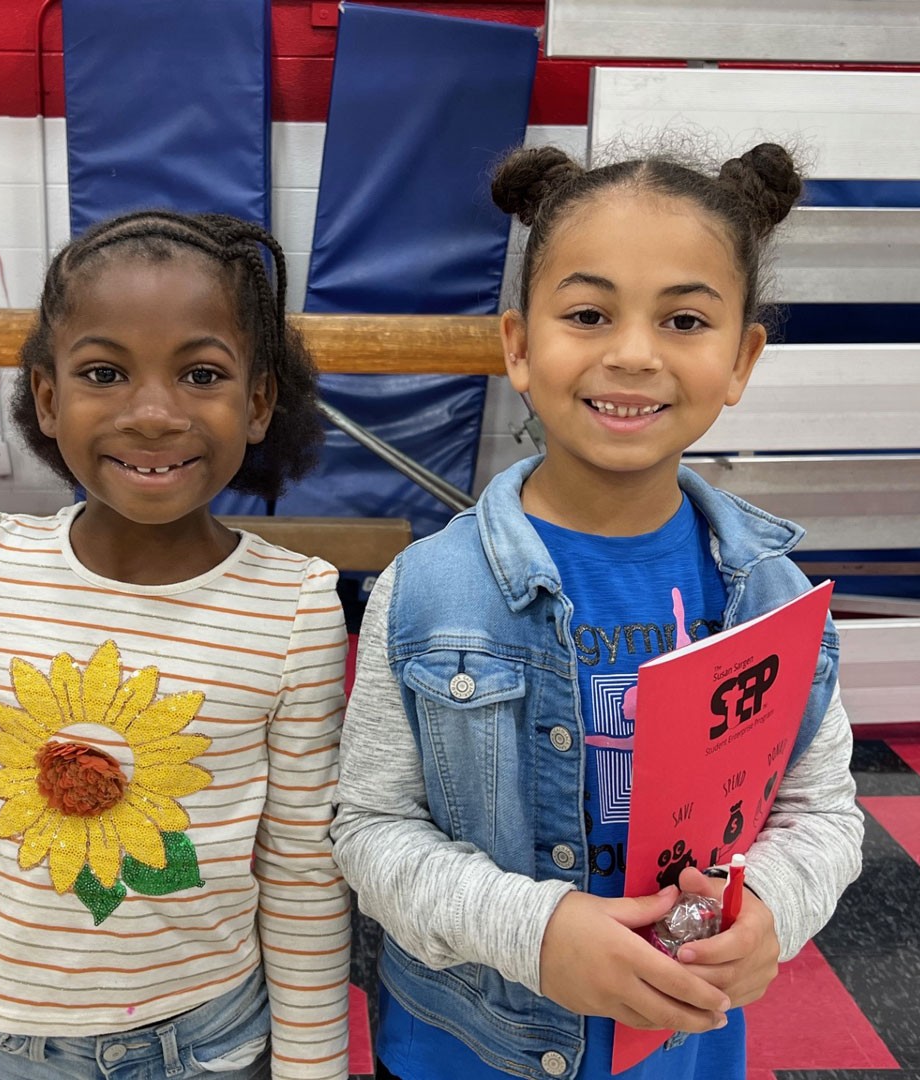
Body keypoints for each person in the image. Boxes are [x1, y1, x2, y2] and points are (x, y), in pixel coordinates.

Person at [330, 143, 864, 1080]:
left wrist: (769, 913)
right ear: (519, 346)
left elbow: (824, 813)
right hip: (467, 1049)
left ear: (740, 360)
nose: (632, 353)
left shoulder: (775, 600)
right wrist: (535, 932)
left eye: (685, 319)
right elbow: (370, 828)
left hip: (680, 1052)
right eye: (588, 313)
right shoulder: (428, 591)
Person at [0, 210, 351, 1080]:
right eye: (105, 373)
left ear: (258, 402)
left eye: (200, 373)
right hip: (16, 1032)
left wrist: (313, 1068)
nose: (153, 413)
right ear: (48, 396)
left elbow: (303, 871)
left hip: (211, 1039)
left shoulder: (294, 607)